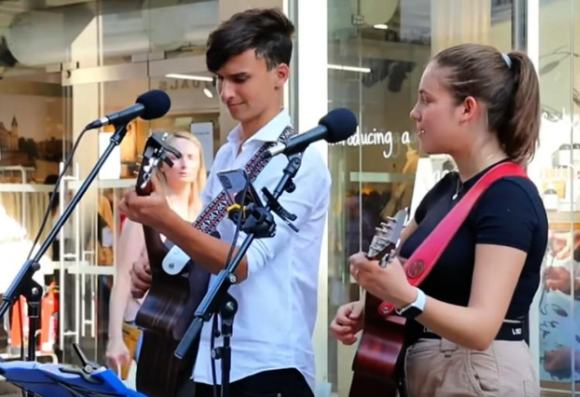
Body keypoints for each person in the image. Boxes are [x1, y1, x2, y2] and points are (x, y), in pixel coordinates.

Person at [119, 8, 330, 397]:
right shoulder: (229, 154)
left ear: (280, 75)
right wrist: (164, 267)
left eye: (240, 79)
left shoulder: (299, 162)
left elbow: (244, 261)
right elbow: (205, 240)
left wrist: (167, 221)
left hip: (271, 360)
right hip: (211, 358)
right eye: (220, 80)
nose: (226, 93)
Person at [330, 43, 548, 397]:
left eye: (427, 100)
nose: (415, 113)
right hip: (431, 366)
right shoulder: (446, 189)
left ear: (467, 108)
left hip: (479, 372)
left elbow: (480, 328)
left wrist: (402, 296)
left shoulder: (509, 197)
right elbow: (407, 271)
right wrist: (368, 306)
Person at [105, 130, 207, 379]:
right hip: (146, 324)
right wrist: (114, 337)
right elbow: (123, 279)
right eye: (177, 156)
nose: (184, 164)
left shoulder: (206, 212)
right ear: (162, 165)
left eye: (192, 157)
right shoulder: (145, 213)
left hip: (186, 328)